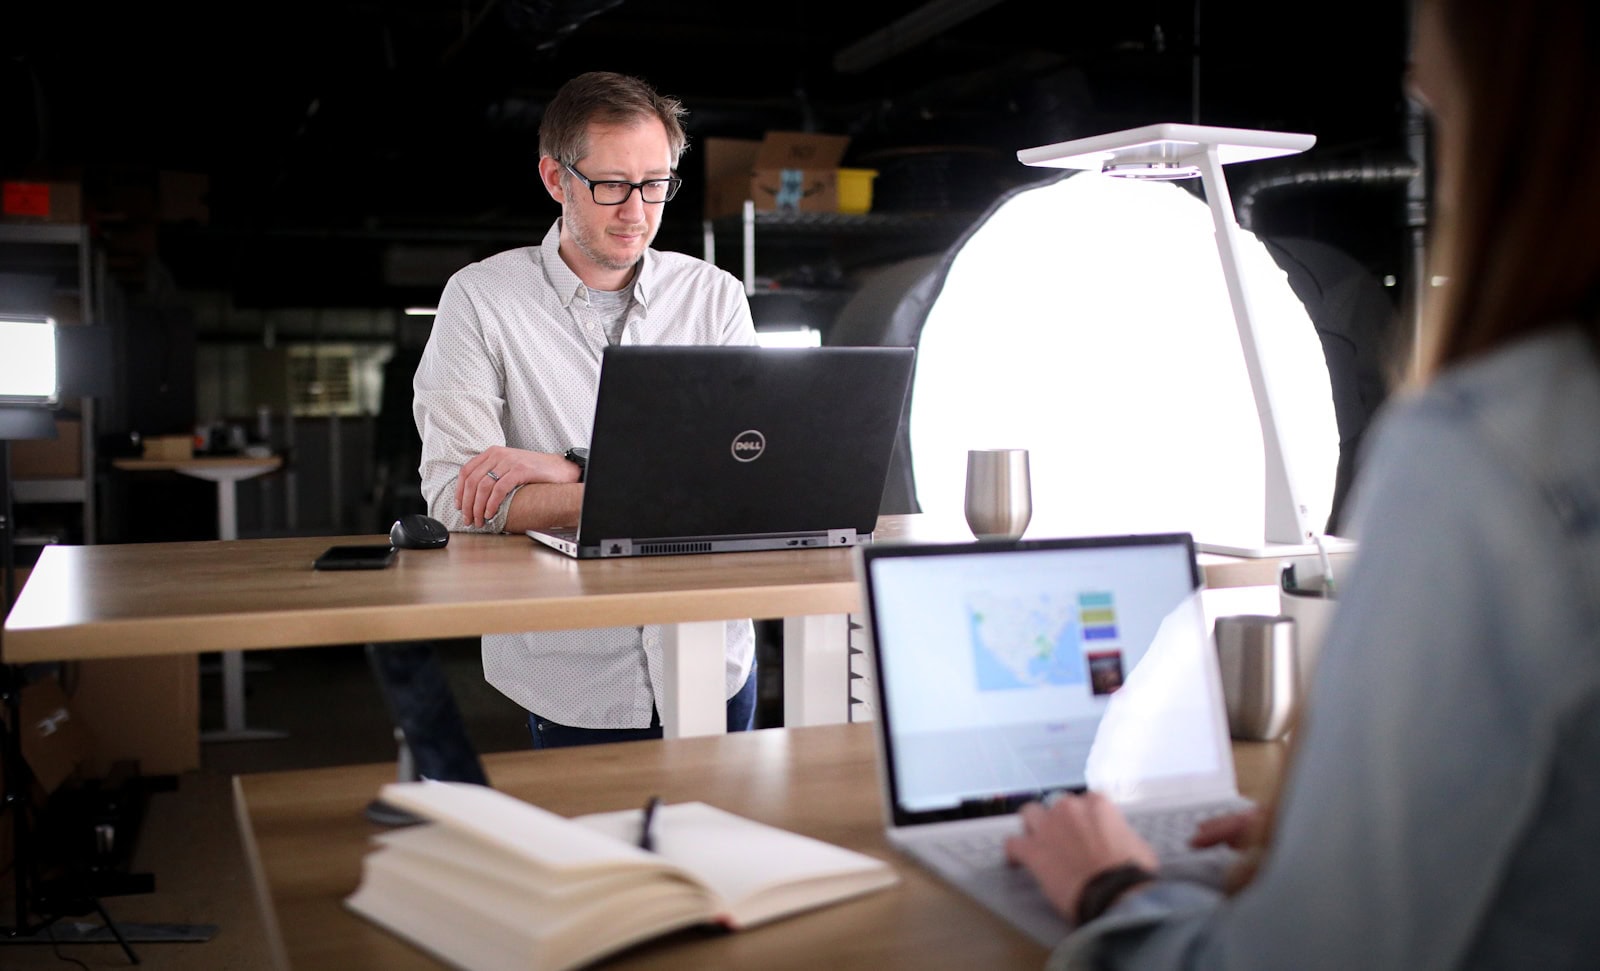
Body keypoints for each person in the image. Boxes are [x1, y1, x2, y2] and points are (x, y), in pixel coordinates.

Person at [1004, 0, 1600, 966]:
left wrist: (1111, 887)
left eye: (1432, 33)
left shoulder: (1493, 451)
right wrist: (1341, 842)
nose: (1416, 81)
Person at [411, 71, 759, 748]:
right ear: (555, 178)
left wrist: (568, 475)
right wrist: (647, 486)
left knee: (722, 851)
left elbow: (741, 477)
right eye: (611, 185)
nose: (636, 210)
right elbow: (457, 500)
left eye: (655, 183)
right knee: (596, 855)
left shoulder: (714, 296)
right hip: (575, 677)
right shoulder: (481, 299)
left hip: (713, 659)